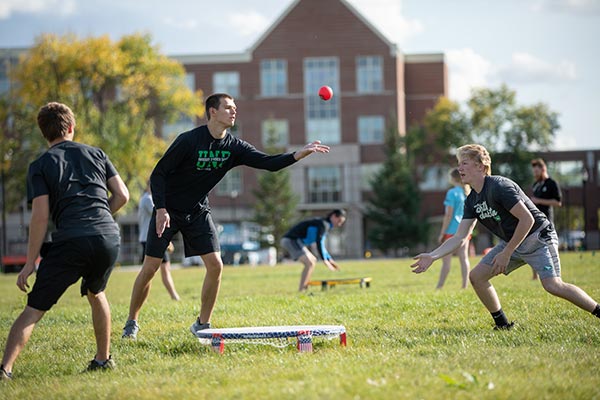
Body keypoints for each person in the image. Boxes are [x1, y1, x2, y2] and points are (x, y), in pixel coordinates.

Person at [122, 93, 330, 340]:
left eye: (235, 108)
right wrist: (161, 209)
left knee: (216, 265)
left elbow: (268, 163)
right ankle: (131, 322)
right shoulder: (188, 141)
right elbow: (158, 174)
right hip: (169, 210)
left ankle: (202, 323)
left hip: (198, 211)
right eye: (228, 107)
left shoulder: (234, 147)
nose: (234, 112)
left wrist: (298, 154)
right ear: (212, 111)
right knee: (151, 267)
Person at [0, 102, 129, 380]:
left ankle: (5, 369)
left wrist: (29, 263)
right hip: (108, 236)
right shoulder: (97, 153)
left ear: (44, 134)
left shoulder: (41, 165)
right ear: (71, 127)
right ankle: (103, 360)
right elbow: (122, 195)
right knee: (97, 293)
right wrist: (102, 215)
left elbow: (40, 216)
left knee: (34, 309)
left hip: (72, 239)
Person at [410, 144, 600, 330]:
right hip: (512, 242)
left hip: (538, 237)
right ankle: (503, 325)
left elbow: (527, 220)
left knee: (553, 285)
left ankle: (598, 311)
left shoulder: (499, 186)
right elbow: (460, 236)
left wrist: (507, 252)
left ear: (481, 166)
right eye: (459, 163)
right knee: (477, 276)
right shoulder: (471, 200)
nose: (459, 168)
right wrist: (433, 256)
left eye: (464, 163)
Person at [281, 209, 346, 291]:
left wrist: (329, 259)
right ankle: (302, 290)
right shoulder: (323, 224)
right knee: (309, 263)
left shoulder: (325, 225)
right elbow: (319, 241)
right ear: (333, 216)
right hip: (291, 240)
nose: (339, 224)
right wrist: (324, 260)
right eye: (339, 221)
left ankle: (304, 287)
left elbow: (321, 244)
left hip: (297, 242)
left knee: (313, 260)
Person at [138, 183, 180, 300]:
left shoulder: (145, 199)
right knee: (158, 270)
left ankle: (142, 298)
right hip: (153, 238)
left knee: (149, 271)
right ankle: (174, 296)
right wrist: (167, 241)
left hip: (148, 238)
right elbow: (160, 215)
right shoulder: (148, 199)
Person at [436, 168, 471, 289]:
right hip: (464, 229)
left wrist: (442, 233)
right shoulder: (466, 192)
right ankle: (464, 286)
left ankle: (439, 286)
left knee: (446, 261)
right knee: (464, 258)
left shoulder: (451, 193)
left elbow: (448, 215)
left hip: (451, 230)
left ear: (452, 178)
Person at [530, 158, 562, 280]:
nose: (535, 174)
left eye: (537, 171)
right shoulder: (535, 185)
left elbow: (558, 202)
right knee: (532, 246)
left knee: (549, 247)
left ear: (543, 169)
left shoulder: (551, 183)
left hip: (547, 221)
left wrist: (539, 201)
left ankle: (555, 274)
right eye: (534, 172)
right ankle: (534, 276)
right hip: (535, 221)